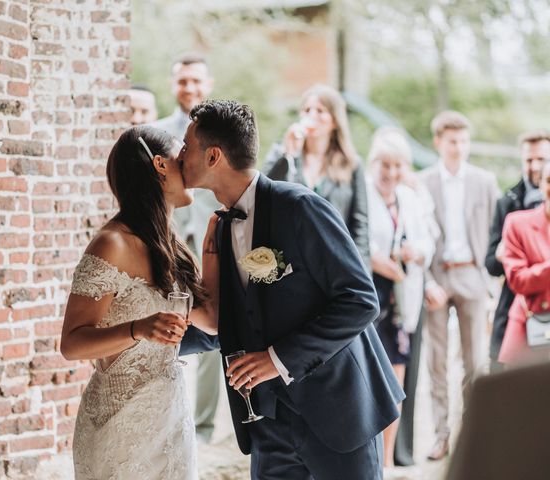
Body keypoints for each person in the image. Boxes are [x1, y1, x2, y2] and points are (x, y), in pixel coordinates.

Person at [179, 99, 404, 480]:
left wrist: (277, 358)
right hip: (266, 423)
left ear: (214, 156)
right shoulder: (218, 227)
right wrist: (154, 344)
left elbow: (360, 301)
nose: (180, 155)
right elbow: (232, 320)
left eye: (187, 147)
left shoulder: (300, 207)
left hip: (337, 413)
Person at [60, 126, 218, 479]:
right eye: (182, 157)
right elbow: (71, 343)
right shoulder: (111, 244)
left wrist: (212, 252)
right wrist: (138, 328)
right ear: (161, 165)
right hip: (119, 422)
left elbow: (211, 321)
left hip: (170, 417)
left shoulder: (172, 246)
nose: (189, 165)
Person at [418, 111, 501, 461]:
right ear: (438, 142)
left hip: (472, 274)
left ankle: (473, 436)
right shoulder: (422, 182)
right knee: (437, 362)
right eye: (453, 141)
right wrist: (426, 281)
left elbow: (497, 232)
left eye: (464, 141)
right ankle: (442, 435)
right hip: (437, 275)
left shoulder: (485, 180)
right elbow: (415, 232)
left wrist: (488, 281)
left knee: (474, 362)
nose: (459, 147)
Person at [152, 52, 222, 443]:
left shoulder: (221, 134)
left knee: (210, 322)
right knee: (167, 322)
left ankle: (206, 425)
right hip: (171, 239)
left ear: (207, 84)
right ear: (172, 84)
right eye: (182, 81)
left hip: (210, 237)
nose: (189, 88)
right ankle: (167, 410)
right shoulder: (157, 133)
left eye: (196, 81)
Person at [366, 128, 435, 471]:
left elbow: (428, 244)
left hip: (402, 301)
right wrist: (376, 259)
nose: (391, 173)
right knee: (368, 385)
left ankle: (389, 462)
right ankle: (370, 461)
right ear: (373, 163)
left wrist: (414, 252)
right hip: (369, 297)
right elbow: (352, 241)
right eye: (385, 164)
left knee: (395, 385)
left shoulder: (410, 198)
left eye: (398, 165)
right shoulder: (362, 194)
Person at [263, 84, 370, 264]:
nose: (312, 115)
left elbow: (360, 225)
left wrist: (361, 272)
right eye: (307, 110)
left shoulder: (351, 163)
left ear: (335, 121)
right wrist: (287, 154)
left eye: (320, 111)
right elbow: (263, 194)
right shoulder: (282, 152)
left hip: (334, 260)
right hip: (289, 259)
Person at [394, 131, 441, 468]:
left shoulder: (415, 192)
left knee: (411, 375)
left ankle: (403, 449)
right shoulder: (375, 188)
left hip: (414, 287)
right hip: (390, 293)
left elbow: (429, 239)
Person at [485, 130, 549, 371]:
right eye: (529, 160)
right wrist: (508, 255)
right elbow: (491, 263)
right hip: (519, 306)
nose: (534, 166)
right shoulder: (508, 202)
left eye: (541, 159)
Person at [498, 157, 550, 365]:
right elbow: (518, 280)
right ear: (541, 184)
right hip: (529, 328)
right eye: (549, 180)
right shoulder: (517, 223)